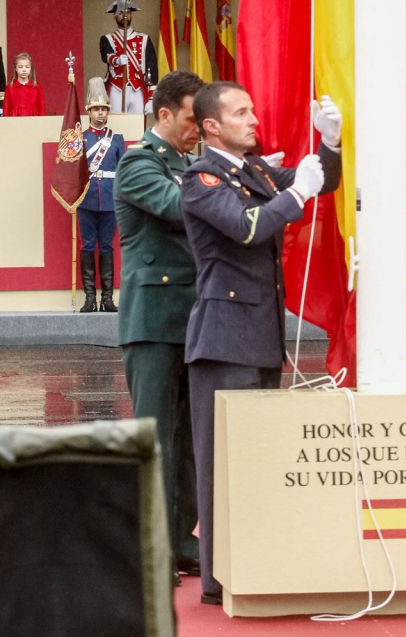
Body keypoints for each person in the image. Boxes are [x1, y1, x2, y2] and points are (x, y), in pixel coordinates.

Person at [181, 81, 343, 605]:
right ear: (211, 126)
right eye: (241, 112)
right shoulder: (202, 178)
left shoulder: (251, 170)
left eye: (252, 109)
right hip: (224, 339)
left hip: (260, 335)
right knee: (219, 464)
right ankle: (216, 580)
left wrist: (330, 145)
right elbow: (247, 227)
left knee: (259, 461)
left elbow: (322, 181)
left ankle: (255, 563)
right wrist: (297, 194)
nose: (253, 118)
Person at [114, 69, 206, 580]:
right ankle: (149, 545)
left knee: (188, 438)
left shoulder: (190, 165)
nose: (199, 128)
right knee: (154, 437)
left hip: (191, 316)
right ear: (164, 114)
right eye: (193, 118)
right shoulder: (137, 163)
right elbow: (179, 207)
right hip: (152, 320)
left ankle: (177, 538)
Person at [77, 78, 126, 313]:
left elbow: (123, 172)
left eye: (104, 109)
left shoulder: (116, 140)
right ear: (88, 111)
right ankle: (89, 299)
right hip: (86, 199)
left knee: (106, 246)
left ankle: (107, 299)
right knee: (88, 246)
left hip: (109, 200)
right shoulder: (80, 137)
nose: (100, 113)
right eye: (96, 109)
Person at [99, 0, 158, 115]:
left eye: (128, 12)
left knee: (137, 127)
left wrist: (152, 99)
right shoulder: (107, 38)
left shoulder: (144, 39)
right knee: (117, 125)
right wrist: (117, 60)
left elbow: (152, 69)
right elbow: (106, 56)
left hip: (138, 88)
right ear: (115, 16)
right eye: (120, 13)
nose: (125, 15)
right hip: (117, 88)